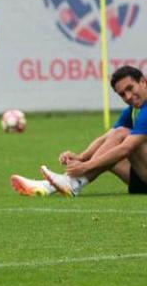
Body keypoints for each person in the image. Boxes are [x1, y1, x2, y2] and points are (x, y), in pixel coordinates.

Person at [10, 65, 147, 197]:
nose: (128, 96)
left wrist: (86, 166)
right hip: (140, 178)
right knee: (113, 143)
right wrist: (81, 157)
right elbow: (108, 137)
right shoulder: (134, 109)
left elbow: (126, 148)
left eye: (130, 88)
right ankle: (58, 185)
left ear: (143, 81)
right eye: (122, 94)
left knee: (122, 135)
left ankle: (66, 183)